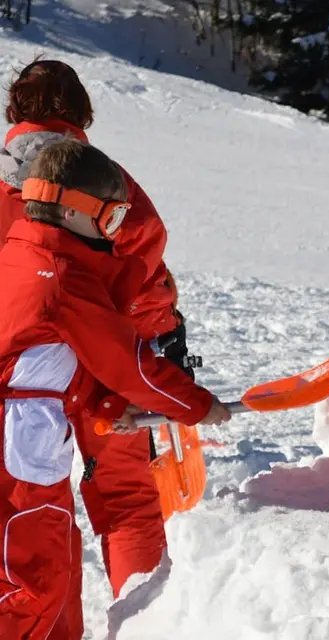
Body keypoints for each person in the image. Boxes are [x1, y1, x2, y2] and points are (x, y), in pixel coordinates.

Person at [0, 138, 231, 639]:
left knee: (52, 557)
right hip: (17, 449)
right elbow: (130, 364)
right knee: (28, 577)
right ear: (73, 211)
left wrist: (107, 404)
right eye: (111, 219)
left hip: (31, 434)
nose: (115, 233)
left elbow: (48, 360)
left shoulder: (23, 255)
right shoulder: (61, 275)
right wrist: (197, 405)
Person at [0, 59, 194, 600]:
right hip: (109, 363)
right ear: (81, 110)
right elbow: (145, 262)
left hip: (22, 372)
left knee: (27, 512)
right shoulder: (105, 179)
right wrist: (160, 339)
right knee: (125, 498)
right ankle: (144, 624)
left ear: (15, 109)